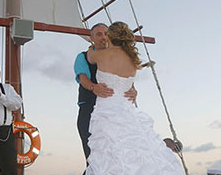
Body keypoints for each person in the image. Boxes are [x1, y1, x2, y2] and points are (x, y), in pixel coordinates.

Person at [85, 22, 185, 175]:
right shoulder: (132, 60)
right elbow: (127, 84)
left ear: (111, 36)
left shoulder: (100, 54)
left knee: (110, 150)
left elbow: (90, 57)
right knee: (140, 146)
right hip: (127, 107)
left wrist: (91, 46)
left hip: (108, 108)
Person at [74, 23, 137, 171]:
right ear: (91, 38)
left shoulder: (119, 56)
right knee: (95, 158)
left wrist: (134, 91)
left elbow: (126, 80)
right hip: (90, 110)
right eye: (99, 34)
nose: (103, 37)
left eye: (106, 33)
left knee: (122, 156)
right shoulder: (83, 56)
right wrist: (93, 87)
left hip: (117, 114)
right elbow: (83, 78)